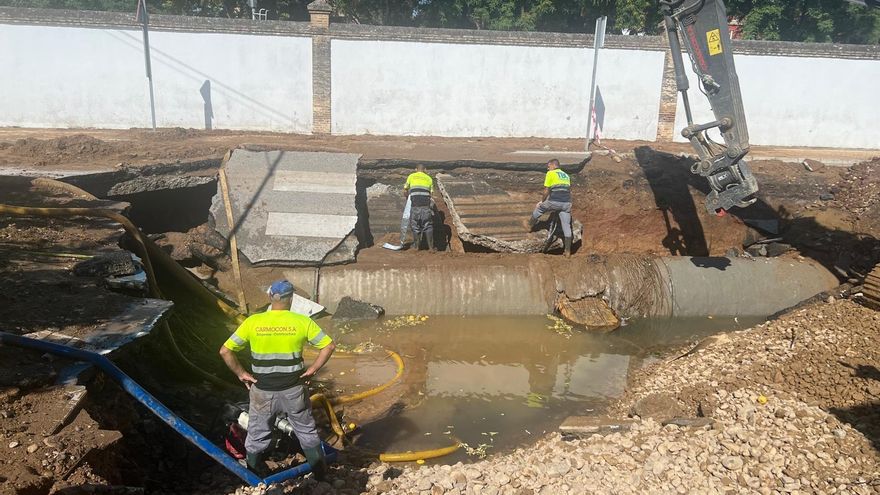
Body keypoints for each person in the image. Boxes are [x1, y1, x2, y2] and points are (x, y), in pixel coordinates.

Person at [219, 280, 336, 479]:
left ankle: (254, 479)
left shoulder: (253, 322)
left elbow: (225, 351)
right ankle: (321, 475)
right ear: (291, 298)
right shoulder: (302, 321)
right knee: (307, 432)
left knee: (257, 434)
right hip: (293, 389)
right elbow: (329, 346)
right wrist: (313, 369)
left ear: (270, 297)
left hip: (262, 390)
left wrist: (241, 374)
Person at [528, 159, 573, 257]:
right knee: (566, 226)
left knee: (539, 208)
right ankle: (568, 251)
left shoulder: (550, 173)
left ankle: (530, 226)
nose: (547, 168)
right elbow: (566, 191)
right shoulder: (566, 175)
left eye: (548, 166)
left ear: (553, 165)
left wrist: (542, 202)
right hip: (566, 204)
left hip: (554, 202)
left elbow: (546, 191)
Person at [403, 164, 436, 251]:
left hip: (415, 206)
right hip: (425, 206)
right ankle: (431, 248)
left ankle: (417, 247)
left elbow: (405, 190)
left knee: (415, 226)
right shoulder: (429, 178)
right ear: (425, 169)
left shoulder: (411, 176)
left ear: (415, 169)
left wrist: (408, 199)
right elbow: (432, 194)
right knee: (428, 226)